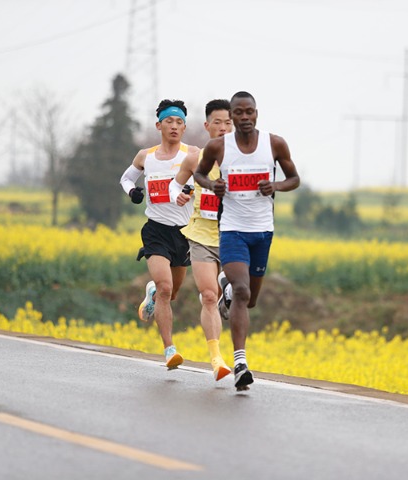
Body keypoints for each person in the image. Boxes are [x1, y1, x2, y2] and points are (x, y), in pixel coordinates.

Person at [194, 91, 300, 390]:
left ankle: (228, 287)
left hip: (263, 231)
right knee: (241, 292)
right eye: (237, 113)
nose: (243, 118)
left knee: (250, 299)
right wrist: (213, 184)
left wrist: (276, 185)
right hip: (232, 229)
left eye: (248, 112)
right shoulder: (218, 147)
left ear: (256, 113)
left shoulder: (274, 144)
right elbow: (200, 175)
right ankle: (241, 363)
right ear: (232, 115)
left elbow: (295, 179)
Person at [119, 99, 199, 370]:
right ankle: (169, 350)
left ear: (185, 127)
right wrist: (133, 192)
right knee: (166, 289)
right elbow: (126, 178)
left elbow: (207, 182)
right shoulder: (146, 156)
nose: (174, 126)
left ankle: (151, 293)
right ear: (159, 125)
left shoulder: (192, 155)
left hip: (184, 234)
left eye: (179, 122)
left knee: (171, 293)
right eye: (169, 121)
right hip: (155, 231)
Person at [168, 99, 233, 382]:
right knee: (208, 297)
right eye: (217, 122)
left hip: (233, 236)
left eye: (228, 122)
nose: (223, 127)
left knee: (237, 297)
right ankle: (217, 358)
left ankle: (226, 288)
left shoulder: (243, 160)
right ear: (207, 126)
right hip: (201, 237)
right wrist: (179, 195)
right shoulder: (195, 159)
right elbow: (175, 184)